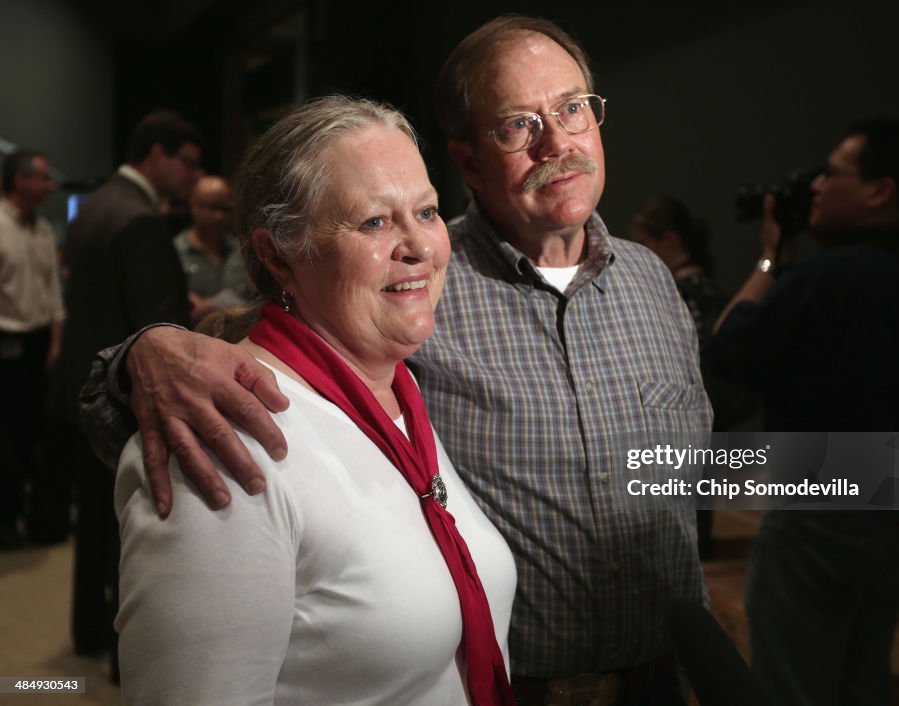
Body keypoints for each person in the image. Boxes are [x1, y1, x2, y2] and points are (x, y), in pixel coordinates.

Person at [82, 16, 711, 704]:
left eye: (572, 109)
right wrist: (142, 353)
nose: (558, 142)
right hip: (527, 685)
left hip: (663, 676)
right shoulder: (410, 305)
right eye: (517, 124)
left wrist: (829, 482)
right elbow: (224, 370)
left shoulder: (652, 282)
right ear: (469, 160)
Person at [114, 95, 516, 706]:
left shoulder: (398, 396)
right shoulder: (226, 436)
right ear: (278, 254)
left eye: (427, 211)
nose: (418, 245)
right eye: (374, 222)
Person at [710, 118, 899, 706]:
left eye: (833, 174)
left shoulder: (827, 277)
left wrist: (773, 258)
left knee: (791, 687)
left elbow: (728, 349)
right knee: (864, 680)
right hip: (897, 509)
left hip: (817, 511)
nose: (817, 187)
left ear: (881, 191)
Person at [57, 109, 202, 663]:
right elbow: (158, 331)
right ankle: (128, 658)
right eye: (187, 162)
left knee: (94, 525)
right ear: (156, 154)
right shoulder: (139, 217)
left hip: (81, 383)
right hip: (124, 394)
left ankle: (90, 632)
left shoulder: (95, 204)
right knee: (129, 531)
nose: (193, 175)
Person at [629, 194, 757, 558]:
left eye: (644, 243)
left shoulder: (676, 295)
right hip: (714, 415)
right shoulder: (711, 290)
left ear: (667, 241)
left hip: (684, 417)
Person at [0, 149, 64, 549]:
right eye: (42, 177)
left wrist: (56, 340)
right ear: (19, 180)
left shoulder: (43, 229)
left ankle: (27, 514)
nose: (50, 186)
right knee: (5, 435)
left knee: (32, 430)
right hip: (5, 341)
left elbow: (52, 291)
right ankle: (6, 518)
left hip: (40, 342)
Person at [173, 174, 252, 325]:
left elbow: (254, 301)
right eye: (211, 207)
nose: (219, 216)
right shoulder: (175, 252)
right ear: (192, 204)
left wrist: (210, 305)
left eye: (225, 209)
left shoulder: (242, 252)